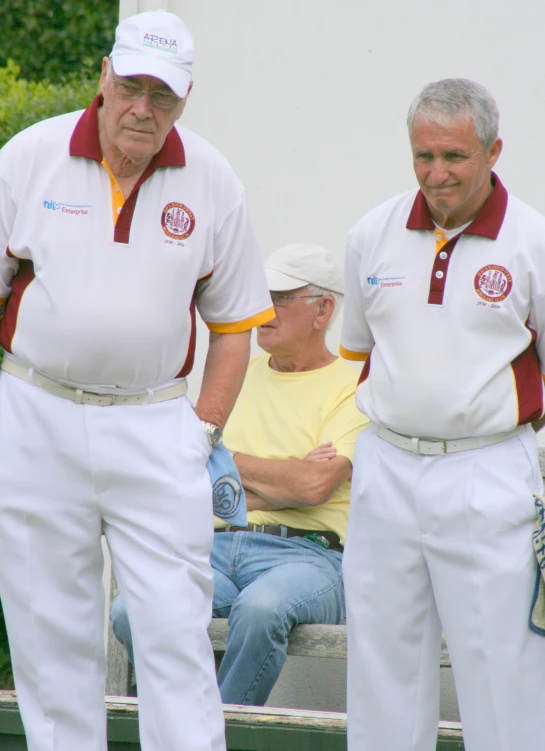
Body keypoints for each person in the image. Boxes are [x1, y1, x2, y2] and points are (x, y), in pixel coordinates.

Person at [0, 10, 274, 751]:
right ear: (103, 76)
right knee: (47, 626)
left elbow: (233, 326)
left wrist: (202, 431)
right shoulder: (29, 156)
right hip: (34, 413)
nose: (142, 108)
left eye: (163, 94)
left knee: (174, 631)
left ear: (184, 98)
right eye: (130, 87)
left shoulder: (213, 179)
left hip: (157, 426)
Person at [340, 77, 545, 751]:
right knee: (380, 662)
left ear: (492, 151)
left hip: (488, 470)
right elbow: (361, 350)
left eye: (453, 156)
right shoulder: (371, 233)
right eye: (423, 155)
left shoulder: (530, 240)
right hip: (386, 466)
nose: (437, 173)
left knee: (499, 669)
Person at [110, 242, 368, 705]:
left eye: (281, 298)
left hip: (309, 556)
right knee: (132, 610)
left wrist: (226, 461)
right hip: (215, 545)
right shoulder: (236, 373)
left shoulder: (354, 383)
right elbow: (185, 468)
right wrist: (280, 481)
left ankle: (214, 731)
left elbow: (315, 486)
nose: (262, 309)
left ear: (323, 309)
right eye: (260, 294)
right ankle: (191, 726)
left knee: (262, 608)